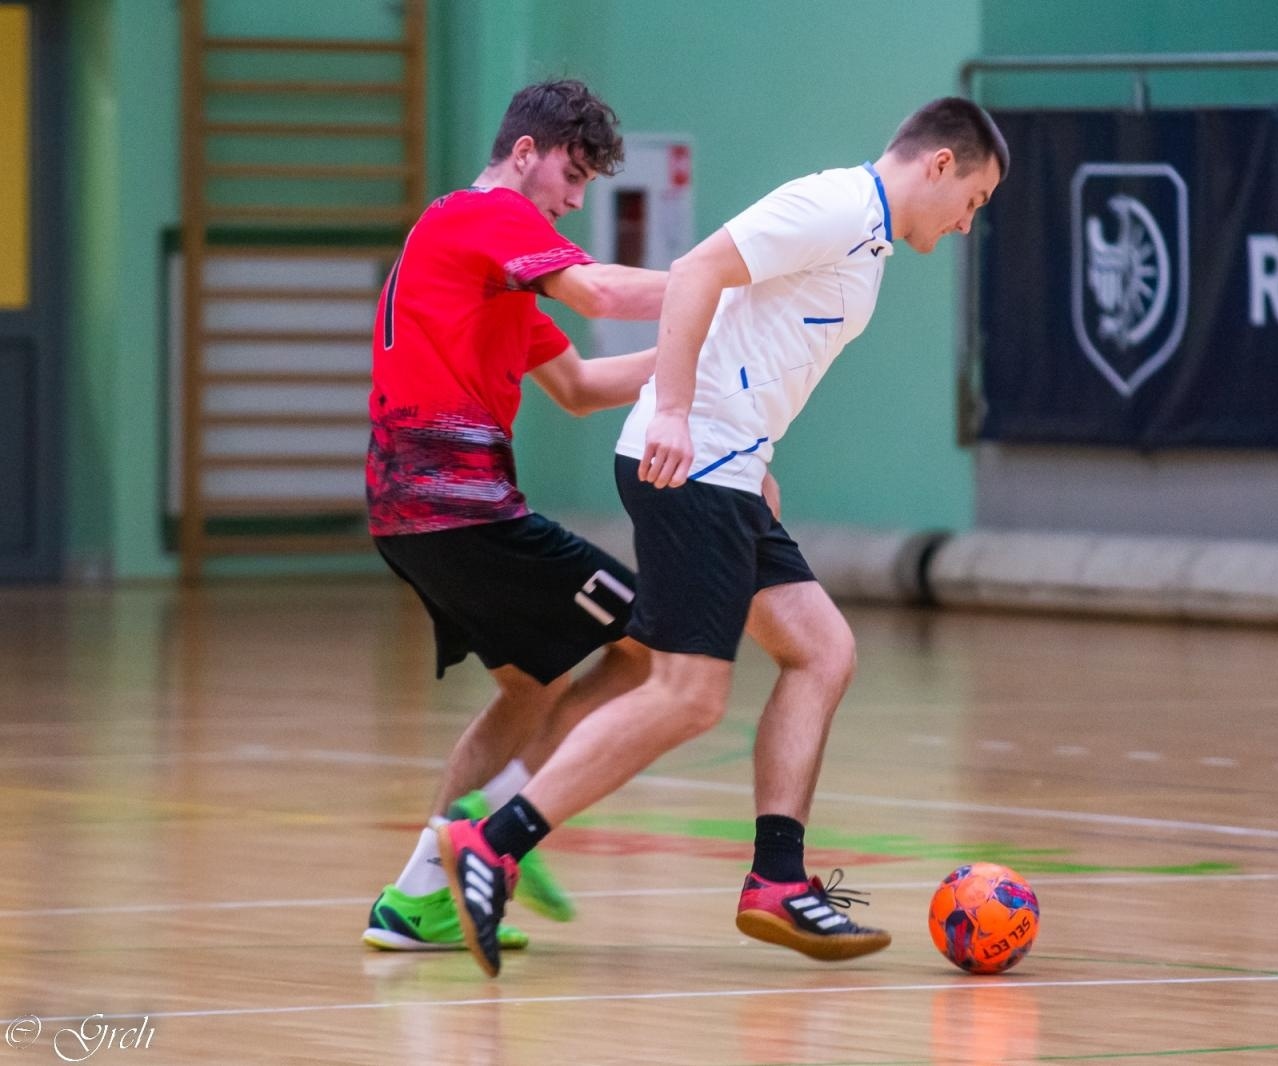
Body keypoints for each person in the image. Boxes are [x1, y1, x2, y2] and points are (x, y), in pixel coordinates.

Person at [434, 96, 1010, 977]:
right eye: (973, 200)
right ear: (939, 166)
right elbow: (699, 270)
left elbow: (753, 333)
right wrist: (673, 412)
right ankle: (494, 840)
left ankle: (777, 880)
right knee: (689, 695)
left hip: (731, 469)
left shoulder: (869, 244)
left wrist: (756, 452)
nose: (968, 224)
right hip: (689, 463)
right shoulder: (834, 206)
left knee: (823, 651)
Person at [360, 79, 669, 954]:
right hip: (459, 508)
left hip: (411, 512)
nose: (574, 202)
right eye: (570, 176)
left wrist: (704, 348)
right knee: (657, 641)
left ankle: (417, 900)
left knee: (531, 686)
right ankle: (501, 830)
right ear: (524, 154)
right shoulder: (480, 215)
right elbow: (603, 297)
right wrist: (720, 286)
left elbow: (580, 388)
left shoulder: (489, 275)